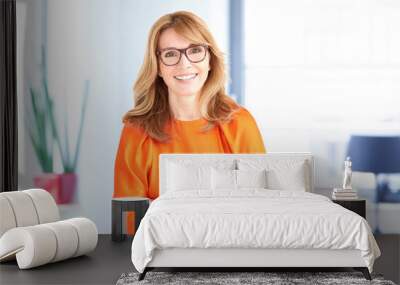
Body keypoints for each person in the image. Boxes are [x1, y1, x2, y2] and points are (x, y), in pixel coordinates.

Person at [114, 11, 266, 233]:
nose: (184, 64)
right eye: (170, 54)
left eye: (195, 50)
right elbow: (128, 226)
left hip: (231, 247)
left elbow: (259, 208)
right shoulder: (136, 131)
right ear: (157, 66)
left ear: (210, 59)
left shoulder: (240, 122)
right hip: (161, 253)